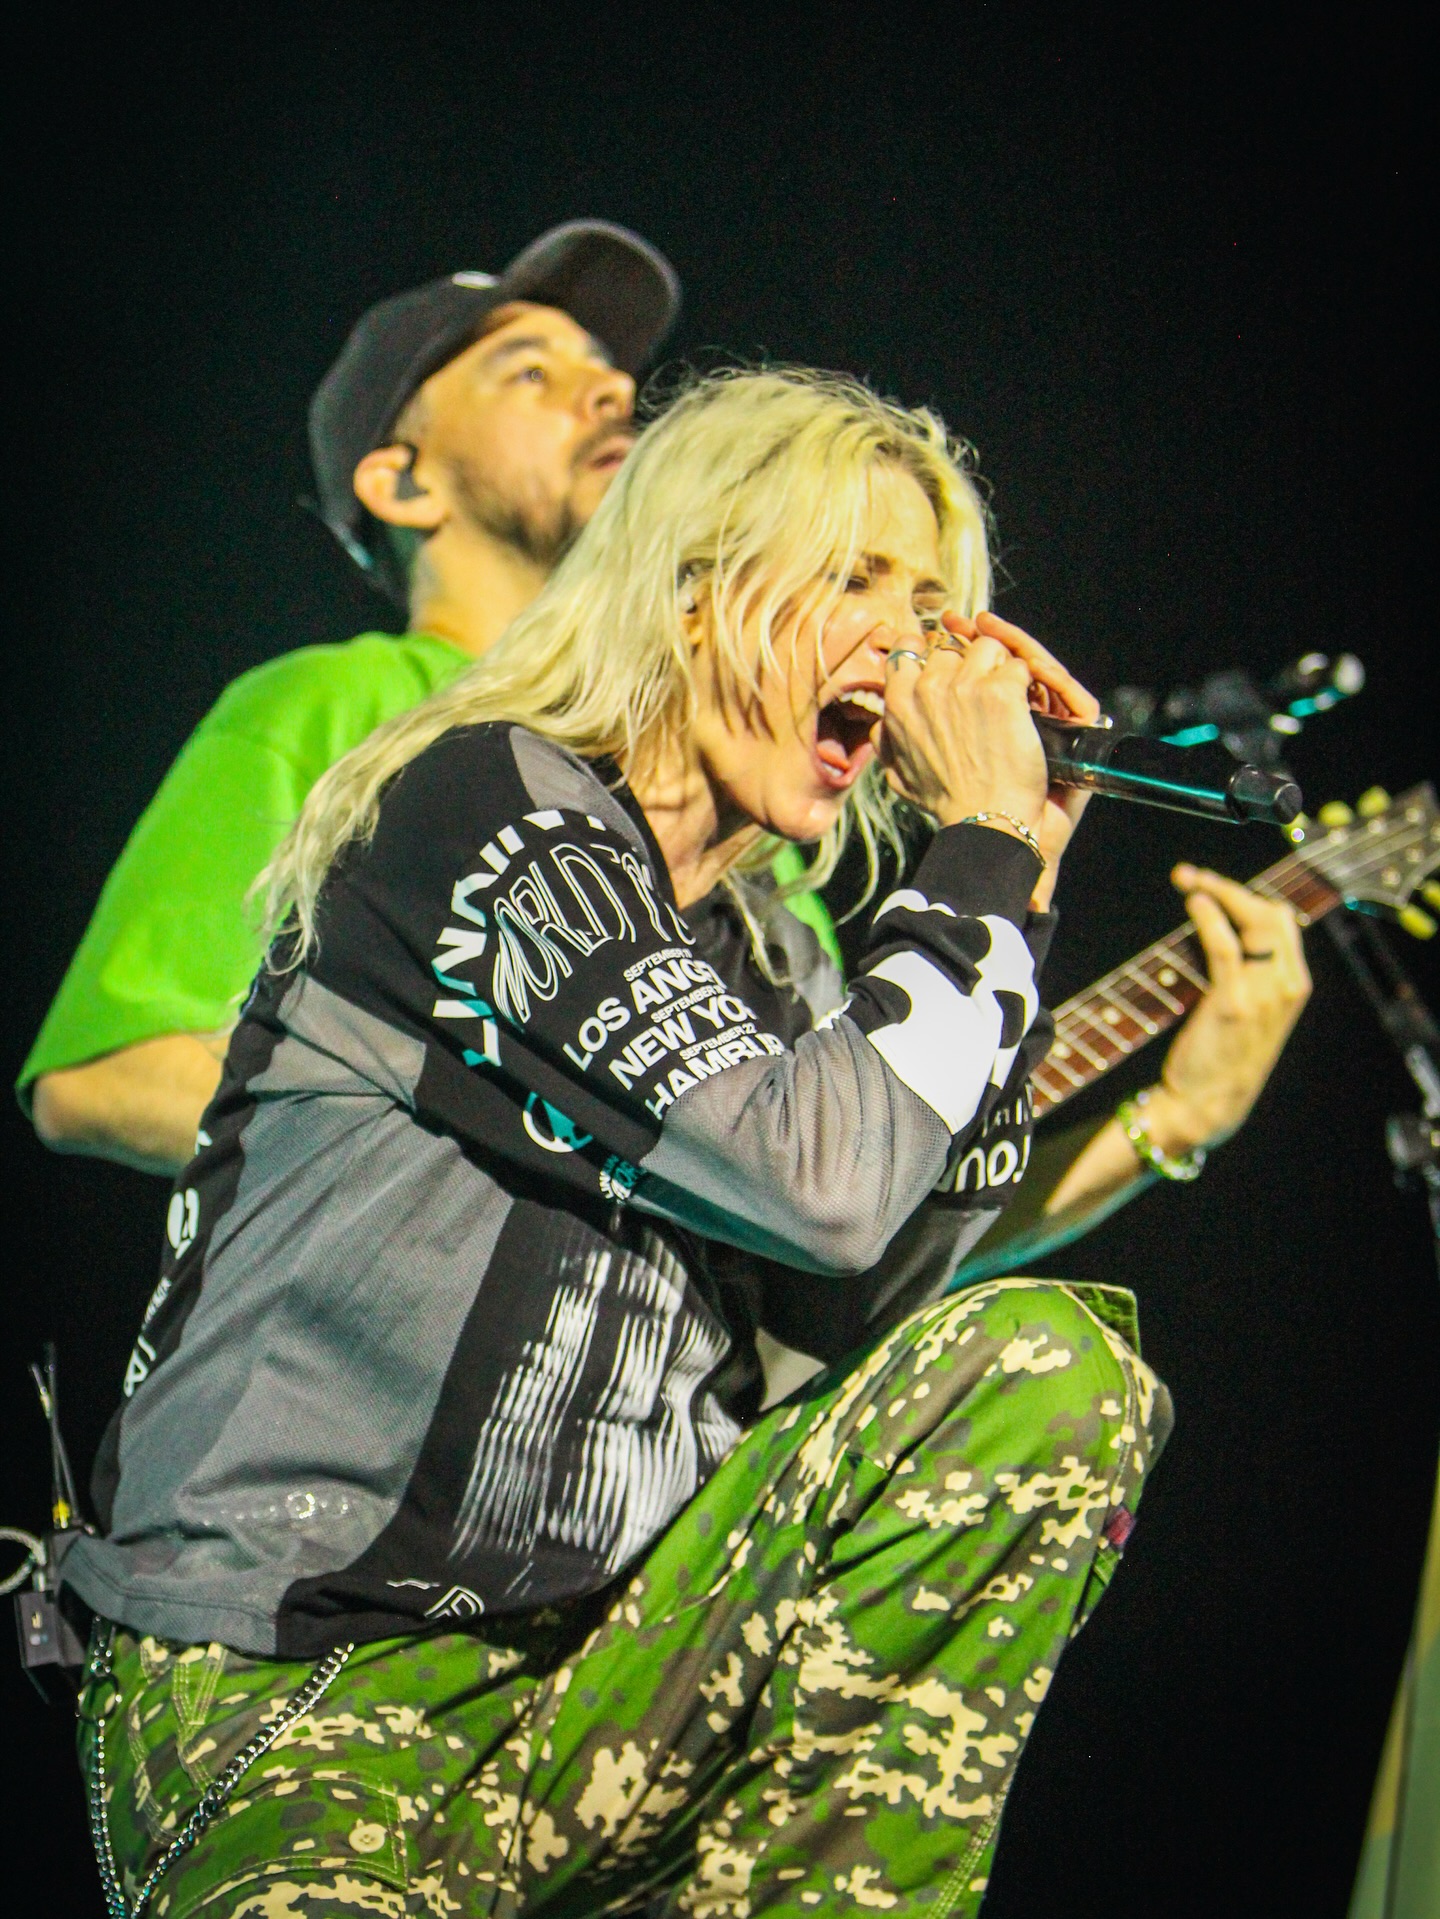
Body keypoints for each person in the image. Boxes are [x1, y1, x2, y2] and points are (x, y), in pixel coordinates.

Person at [65, 367, 1307, 1917]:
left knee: (1043, 1373)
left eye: (932, 609)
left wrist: (1022, 889)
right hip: (303, 1676)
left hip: (596, 1692)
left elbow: (852, 1302)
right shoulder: (485, 803)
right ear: (692, 588)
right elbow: (824, 1183)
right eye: (855, 577)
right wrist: (976, 861)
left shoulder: (772, 961)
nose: (908, 644)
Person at [20, 220, 689, 1173]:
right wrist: (500, 1177)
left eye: (609, 373)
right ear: (404, 482)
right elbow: (113, 1073)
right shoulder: (333, 702)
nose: (614, 391)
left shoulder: (722, 766)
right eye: (531, 373)